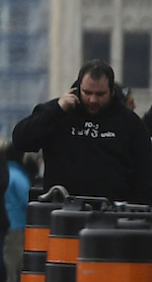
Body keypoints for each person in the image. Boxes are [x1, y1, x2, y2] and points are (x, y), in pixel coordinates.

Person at [9, 59, 152, 205]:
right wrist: (57, 111)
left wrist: (135, 210)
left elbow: (144, 171)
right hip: (61, 213)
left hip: (113, 217)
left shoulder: (129, 123)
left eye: (100, 94)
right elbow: (21, 140)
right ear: (78, 88)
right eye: (87, 92)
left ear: (112, 91)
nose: (93, 100)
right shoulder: (57, 113)